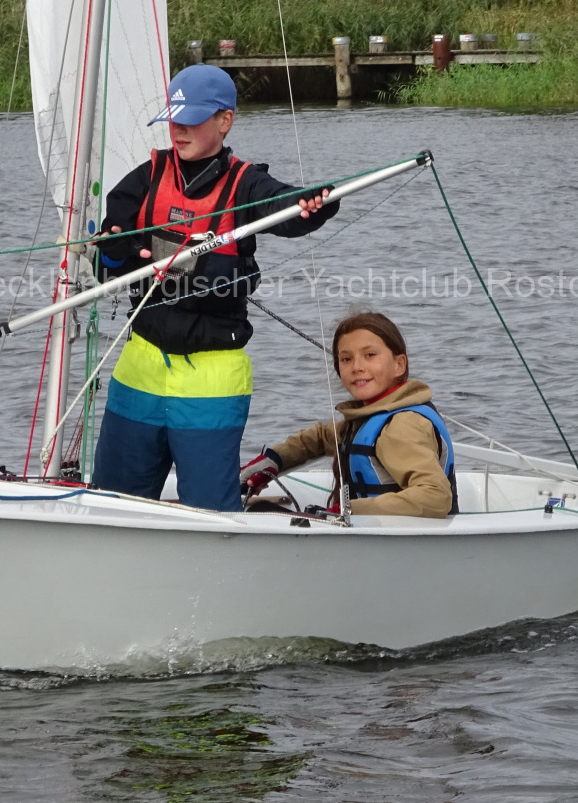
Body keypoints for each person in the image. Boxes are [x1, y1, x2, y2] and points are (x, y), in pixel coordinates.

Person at [91, 64, 337, 510]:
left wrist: (313, 204)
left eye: (191, 119)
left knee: (208, 511)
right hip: (139, 372)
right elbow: (105, 267)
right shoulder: (145, 179)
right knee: (113, 502)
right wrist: (115, 253)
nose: (178, 130)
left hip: (211, 381)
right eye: (173, 119)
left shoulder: (246, 184)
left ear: (225, 121)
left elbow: (285, 207)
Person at [240, 311, 456, 518]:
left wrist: (348, 511)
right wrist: (275, 459)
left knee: (259, 512)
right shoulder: (375, 415)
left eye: (370, 355)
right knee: (262, 509)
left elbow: (435, 496)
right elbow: (322, 437)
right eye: (346, 359)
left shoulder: (402, 425)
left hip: (396, 539)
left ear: (399, 365)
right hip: (372, 534)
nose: (357, 367)